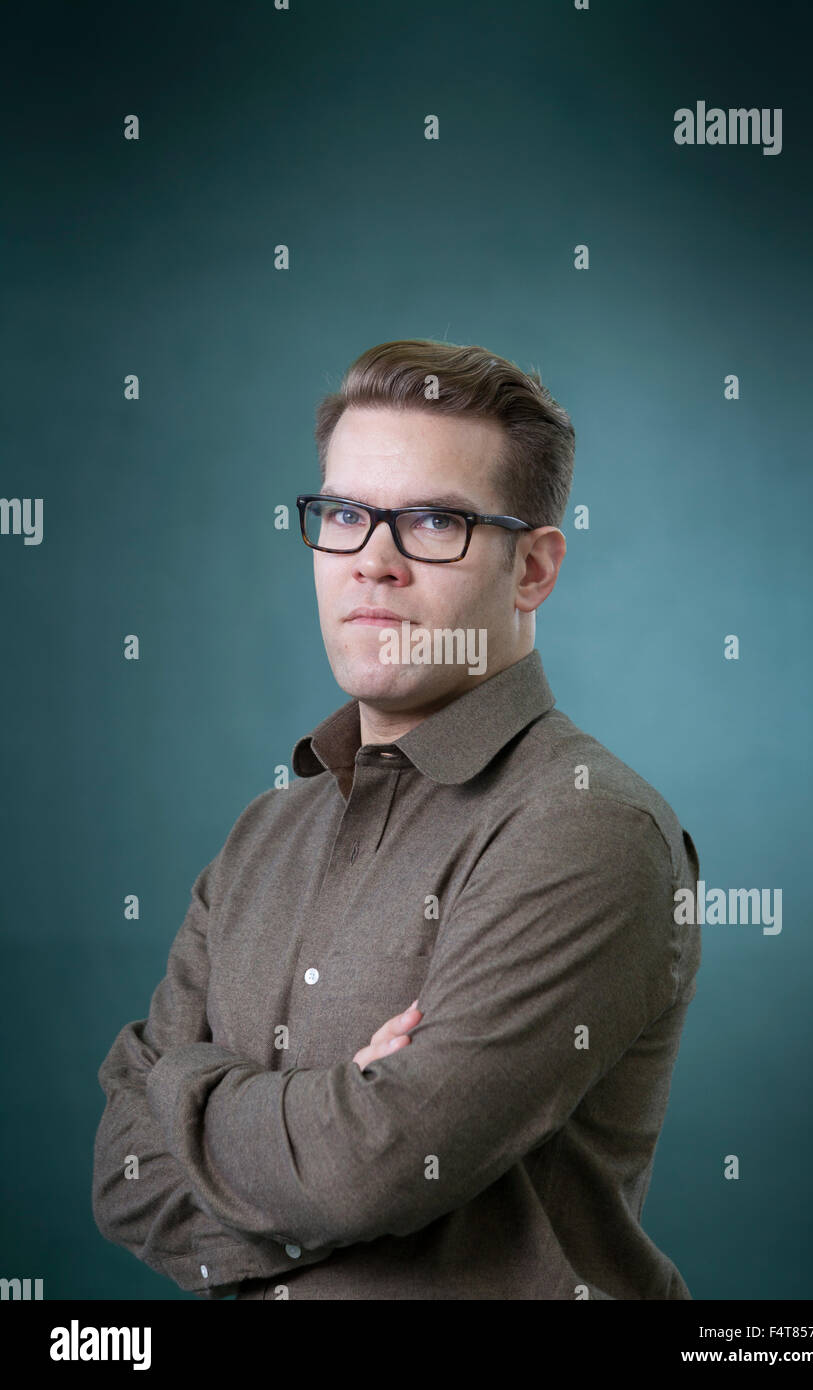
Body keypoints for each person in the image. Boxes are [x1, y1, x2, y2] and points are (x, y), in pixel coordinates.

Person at [92, 338, 701, 1300]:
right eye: (343, 514)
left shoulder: (588, 830)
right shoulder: (264, 834)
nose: (372, 564)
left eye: (430, 521)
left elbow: (367, 1172)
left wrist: (184, 1092)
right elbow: (121, 1178)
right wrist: (314, 1123)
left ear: (533, 569)